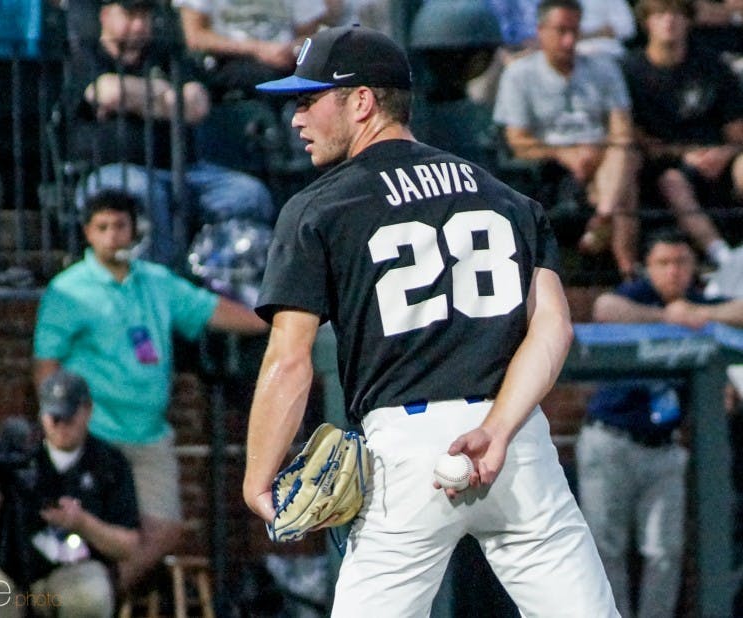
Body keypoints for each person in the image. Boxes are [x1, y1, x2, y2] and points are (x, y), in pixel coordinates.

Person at [242, 24, 619, 616]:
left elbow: (289, 361)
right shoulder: (506, 196)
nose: (297, 118)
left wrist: (258, 477)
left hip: (407, 452)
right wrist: (497, 428)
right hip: (515, 444)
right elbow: (554, 329)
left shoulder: (319, 207)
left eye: (309, 99)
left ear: (361, 101)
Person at [32, 189, 267, 593]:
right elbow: (46, 363)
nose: (112, 236)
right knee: (82, 532)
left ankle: (94, 600)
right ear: (87, 232)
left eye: (120, 226)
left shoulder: (157, 281)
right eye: (102, 227)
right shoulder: (68, 289)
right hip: (96, 433)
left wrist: (274, 320)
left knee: (166, 529)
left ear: (134, 229)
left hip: (149, 432)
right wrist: (53, 418)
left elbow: (208, 309)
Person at [576, 228, 743, 617]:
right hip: (611, 440)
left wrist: (700, 314)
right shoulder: (638, 297)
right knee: (605, 547)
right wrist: (668, 318)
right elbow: (605, 308)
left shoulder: (697, 303)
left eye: (682, 262)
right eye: (663, 263)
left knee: (664, 551)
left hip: (664, 448)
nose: (673, 272)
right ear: (646, 267)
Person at [72, 0, 276, 266]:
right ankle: (163, 280)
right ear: (105, 15)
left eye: (144, 16)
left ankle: (221, 277)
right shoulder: (87, 54)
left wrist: (135, 100)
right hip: (113, 173)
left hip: (187, 170)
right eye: (130, 15)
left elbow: (197, 105)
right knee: (147, 192)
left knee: (249, 194)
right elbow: (109, 91)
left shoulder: (166, 54)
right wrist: (167, 96)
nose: (139, 25)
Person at [493, 0, 641, 280]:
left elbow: (621, 127)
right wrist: (566, 154)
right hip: (550, 164)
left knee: (623, 152)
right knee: (626, 186)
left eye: (575, 31)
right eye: (561, 31)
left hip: (603, 156)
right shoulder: (519, 75)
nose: (569, 40)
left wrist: (593, 153)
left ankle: (604, 215)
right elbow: (517, 140)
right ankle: (626, 267)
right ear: (541, 30)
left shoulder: (604, 69)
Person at [0, 369, 141, 618]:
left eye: (68, 417)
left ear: (86, 411)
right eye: (54, 417)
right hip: (11, 574)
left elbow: (128, 545)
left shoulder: (108, 463)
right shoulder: (21, 456)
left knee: (90, 594)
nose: (60, 425)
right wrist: (1, 480)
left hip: (71, 573)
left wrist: (82, 523)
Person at [621, 0, 743, 298]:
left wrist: (723, 153)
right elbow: (632, 135)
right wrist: (683, 155)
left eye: (676, 14)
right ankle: (724, 258)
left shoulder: (713, 65)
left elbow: (737, 131)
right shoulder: (630, 70)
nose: (669, 22)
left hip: (717, 158)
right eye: (660, 14)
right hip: (660, 165)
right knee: (672, 180)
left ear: (688, 20)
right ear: (646, 22)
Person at [172, 0, 330, 101]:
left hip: (287, 59)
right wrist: (258, 49)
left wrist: (292, 49)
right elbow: (195, 36)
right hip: (228, 60)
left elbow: (309, 32)